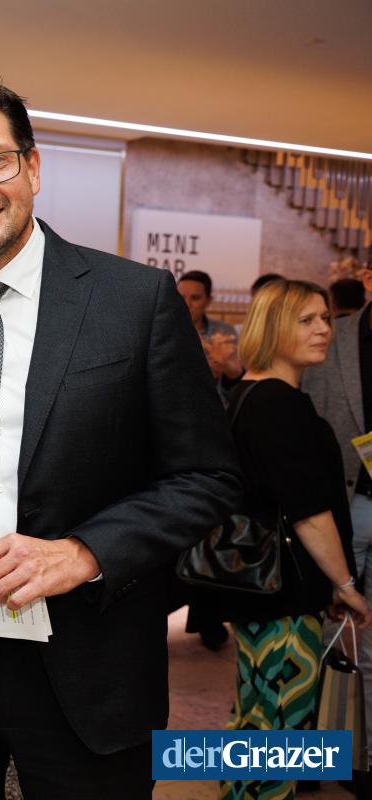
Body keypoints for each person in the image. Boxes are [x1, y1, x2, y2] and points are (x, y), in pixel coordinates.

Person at [0, 74, 242, 799]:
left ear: (33, 167)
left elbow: (208, 477)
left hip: (89, 661)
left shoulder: (136, 301)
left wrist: (84, 552)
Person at [217, 279, 372, 799]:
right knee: (279, 728)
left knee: (258, 718)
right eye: (307, 320)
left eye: (325, 317)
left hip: (264, 590)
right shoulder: (277, 404)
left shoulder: (249, 394)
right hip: (282, 595)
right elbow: (308, 513)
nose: (324, 329)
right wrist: (345, 585)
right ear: (274, 327)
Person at [301, 267, 372, 786]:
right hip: (334, 511)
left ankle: (364, 762)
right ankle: (307, 758)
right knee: (317, 638)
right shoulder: (329, 335)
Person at [179, 269, 242, 381]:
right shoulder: (160, 331)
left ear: (208, 300)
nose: (187, 304)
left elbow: (235, 374)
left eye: (195, 298)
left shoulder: (224, 332)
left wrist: (227, 368)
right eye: (180, 297)